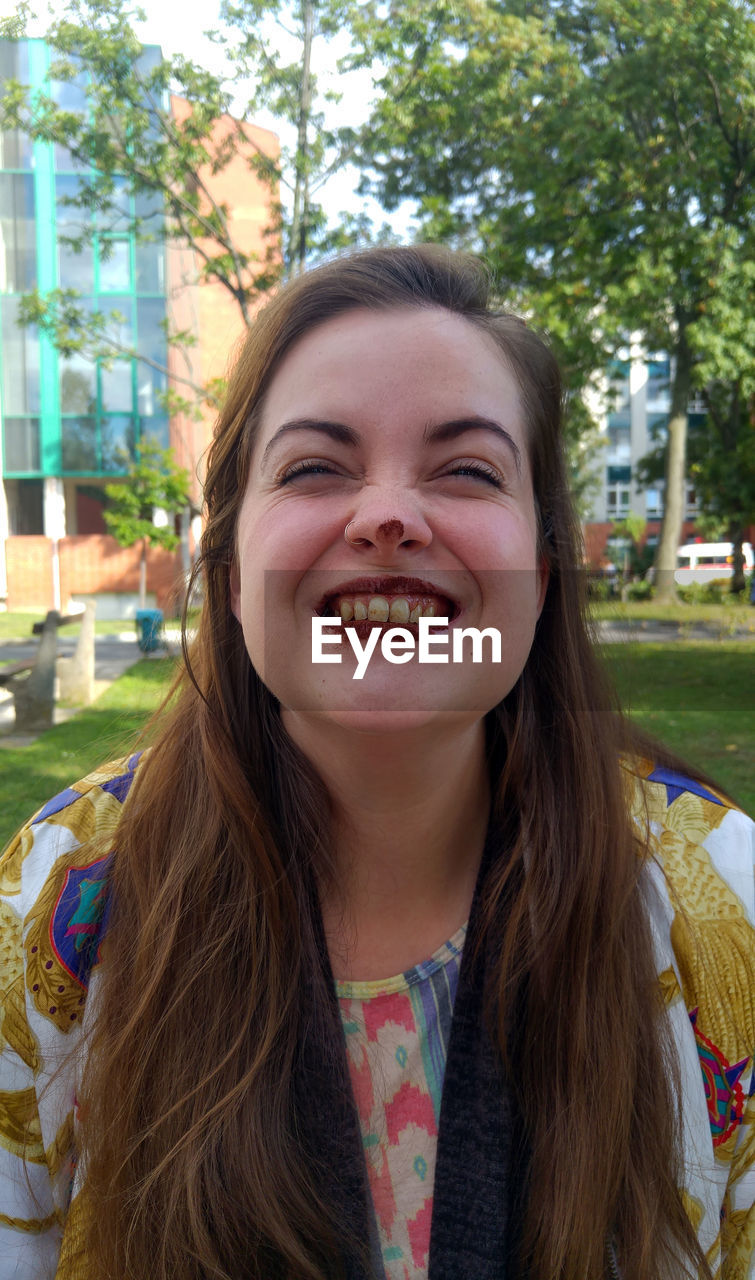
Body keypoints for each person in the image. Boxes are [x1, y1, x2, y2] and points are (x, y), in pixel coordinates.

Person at [1, 244, 753, 1280]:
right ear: (227, 568)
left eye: (464, 468)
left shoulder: (725, 898)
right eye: (314, 466)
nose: (387, 513)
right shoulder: (50, 905)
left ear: (538, 573)